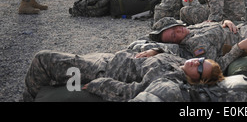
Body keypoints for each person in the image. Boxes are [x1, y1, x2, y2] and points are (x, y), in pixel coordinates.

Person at [131, 5, 247, 72]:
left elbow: (213, 25)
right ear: (175, 42)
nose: (178, 30)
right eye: (174, 35)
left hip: (246, 26)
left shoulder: (190, 28)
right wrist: (240, 47)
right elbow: (216, 65)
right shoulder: (195, 47)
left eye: (174, 27)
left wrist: (225, 22)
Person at [23, 49, 224, 102]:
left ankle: (31, 98)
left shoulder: (168, 80)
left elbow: (133, 92)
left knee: (43, 60)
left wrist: (99, 85)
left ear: (197, 80)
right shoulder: (179, 62)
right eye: (201, 60)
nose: (196, 62)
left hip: (98, 71)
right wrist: (155, 50)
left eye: (199, 69)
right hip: (107, 59)